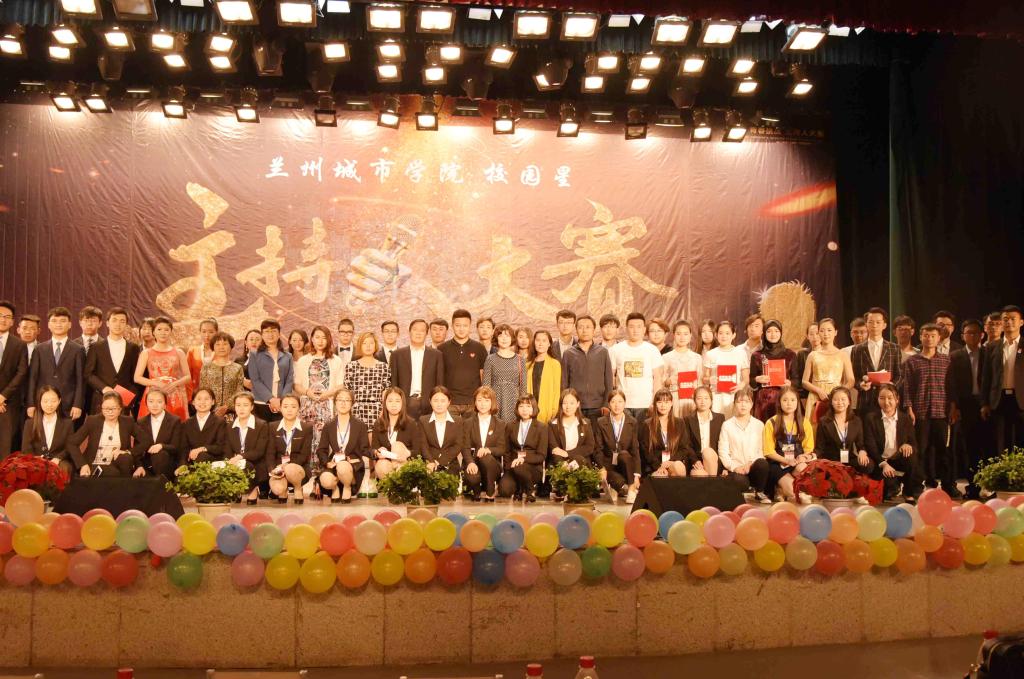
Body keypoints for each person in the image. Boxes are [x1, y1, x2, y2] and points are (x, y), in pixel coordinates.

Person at [902, 323, 956, 496]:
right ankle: (916, 487)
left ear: (939, 338)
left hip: (941, 411)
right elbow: (907, 387)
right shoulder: (912, 361)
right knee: (920, 451)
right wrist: (909, 408)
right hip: (920, 412)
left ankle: (948, 486)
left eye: (933, 336)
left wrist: (953, 407)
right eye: (926, 335)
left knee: (943, 451)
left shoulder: (946, 360)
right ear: (920, 337)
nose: (929, 339)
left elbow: (951, 387)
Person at [813, 386, 880, 503]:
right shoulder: (824, 421)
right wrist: (812, 456)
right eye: (836, 399)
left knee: (868, 464)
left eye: (843, 399)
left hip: (848, 459)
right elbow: (820, 448)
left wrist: (862, 452)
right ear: (831, 402)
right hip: (831, 461)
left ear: (849, 401)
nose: (840, 402)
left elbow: (860, 445)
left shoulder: (856, 420)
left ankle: (858, 489)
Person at [864, 384, 923, 503]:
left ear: (897, 399)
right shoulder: (871, 418)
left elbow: (913, 444)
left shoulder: (905, 418)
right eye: (882, 398)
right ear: (877, 399)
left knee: (911, 454)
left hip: (897, 459)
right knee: (886, 493)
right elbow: (870, 446)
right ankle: (893, 485)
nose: (886, 402)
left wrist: (908, 445)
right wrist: (883, 464)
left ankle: (908, 492)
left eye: (890, 398)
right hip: (880, 461)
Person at [948, 319, 986, 499]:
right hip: (965, 405)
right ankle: (973, 487)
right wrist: (954, 406)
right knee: (969, 447)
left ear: (982, 335)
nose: (972, 336)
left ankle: (988, 484)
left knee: (987, 446)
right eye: (968, 333)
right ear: (963, 336)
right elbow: (952, 384)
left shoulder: (988, 353)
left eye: (975, 333)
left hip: (986, 404)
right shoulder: (955, 356)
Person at [28, 306, 84, 421]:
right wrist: (31, 403)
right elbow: (32, 378)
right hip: (43, 403)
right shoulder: (39, 349)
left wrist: (77, 404)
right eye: (54, 321)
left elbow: (81, 380)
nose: (58, 324)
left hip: (68, 404)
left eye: (63, 321)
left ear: (70, 324)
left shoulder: (78, 349)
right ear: (48, 325)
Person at [294, 325, 344, 451]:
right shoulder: (303, 360)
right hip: (307, 406)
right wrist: (307, 392)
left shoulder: (336, 360)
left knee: (325, 439)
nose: (320, 341)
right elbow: (296, 385)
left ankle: (324, 462)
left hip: (327, 405)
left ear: (329, 340)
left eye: (324, 338)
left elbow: (340, 385)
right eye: (317, 337)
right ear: (312, 339)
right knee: (307, 439)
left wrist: (327, 394)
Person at [982, 306, 1024, 454]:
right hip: (998, 400)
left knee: (1020, 441)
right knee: (999, 442)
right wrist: (984, 403)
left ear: (1021, 322)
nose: (1009, 322)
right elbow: (986, 377)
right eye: (1005, 319)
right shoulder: (992, 347)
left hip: (1021, 400)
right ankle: (1002, 469)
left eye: (1013, 319)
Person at [717, 387, 771, 502]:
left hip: (753, 466)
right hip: (737, 469)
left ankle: (760, 492)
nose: (743, 405)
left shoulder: (759, 425)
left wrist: (750, 464)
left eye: (746, 401)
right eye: (739, 401)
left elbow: (761, 450)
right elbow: (723, 452)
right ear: (734, 404)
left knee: (762, 464)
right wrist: (735, 467)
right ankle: (746, 492)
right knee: (739, 481)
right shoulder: (727, 425)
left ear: (752, 404)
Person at [85, 307, 142, 415]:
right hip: (100, 400)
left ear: (126, 325)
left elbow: (136, 376)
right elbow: (88, 374)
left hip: (123, 402)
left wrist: (129, 397)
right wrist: (104, 388)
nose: (118, 324)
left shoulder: (133, 348)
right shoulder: (96, 347)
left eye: (122, 321)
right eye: (114, 320)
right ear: (107, 323)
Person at [316, 389, 370, 503]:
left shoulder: (360, 425)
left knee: (343, 466)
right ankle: (335, 488)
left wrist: (376, 453)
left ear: (352, 403)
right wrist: (326, 463)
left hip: (352, 466)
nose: (343, 403)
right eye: (340, 400)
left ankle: (347, 487)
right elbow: (322, 449)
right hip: (334, 464)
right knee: (326, 479)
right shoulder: (329, 426)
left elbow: (365, 449)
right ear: (335, 402)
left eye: (347, 400)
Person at [762, 386, 814, 501]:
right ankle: (781, 488)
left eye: (792, 400)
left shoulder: (804, 422)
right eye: (785, 400)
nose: (789, 403)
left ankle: (781, 490)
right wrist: (787, 461)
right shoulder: (771, 422)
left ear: (797, 402)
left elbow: (809, 448)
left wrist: (803, 457)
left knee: (803, 468)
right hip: (778, 465)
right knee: (796, 495)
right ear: (779, 402)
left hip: (796, 463)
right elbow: (768, 452)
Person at [133, 316, 190, 421]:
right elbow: (137, 378)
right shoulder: (146, 353)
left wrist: (175, 384)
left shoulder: (179, 352)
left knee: (174, 425)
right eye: (159, 329)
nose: (163, 333)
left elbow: (188, 377)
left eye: (166, 330)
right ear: (153, 332)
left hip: (174, 394)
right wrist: (156, 383)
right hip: (153, 394)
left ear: (171, 332)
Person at [561, 316, 613, 430]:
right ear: (576, 330)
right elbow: (564, 382)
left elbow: (609, 380)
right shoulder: (568, 353)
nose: (584, 330)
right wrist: (566, 404)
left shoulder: (602, 352)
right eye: (581, 327)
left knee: (596, 438)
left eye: (588, 327)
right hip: (575, 406)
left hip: (598, 406)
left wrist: (606, 404)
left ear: (594, 330)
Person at [66, 391, 136, 477]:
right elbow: (72, 443)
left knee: (125, 459)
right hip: (94, 464)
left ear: (120, 409)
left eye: (113, 408)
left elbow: (145, 440)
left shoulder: (127, 422)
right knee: (112, 473)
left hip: (116, 464)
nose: (110, 412)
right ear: (101, 408)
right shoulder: (92, 421)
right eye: (106, 408)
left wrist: (129, 452)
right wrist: (82, 464)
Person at [611, 312, 665, 422]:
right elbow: (610, 376)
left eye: (639, 327)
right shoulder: (616, 349)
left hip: (645, 404)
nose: (635, 330)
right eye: (632, 327)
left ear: (644, 329)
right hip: (622, 404)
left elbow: (657, 378)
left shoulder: (652, 350)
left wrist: (655, 402)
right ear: (626, 329)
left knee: (644, 433)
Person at [851, 307, 902, 420]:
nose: (874, 325)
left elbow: (899, 375)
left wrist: (892, 385)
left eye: (878, 322)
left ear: (884, 325)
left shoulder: (894, 348)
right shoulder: (857, 349)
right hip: (865, 400)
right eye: (871, 322)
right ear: (866, 324)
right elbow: (854, 376)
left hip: (888, 401)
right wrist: (860, 385)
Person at [801, 318, 855, 422]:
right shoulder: (813, 355)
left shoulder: (843, 354)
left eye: (829, 330)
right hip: (816, 397)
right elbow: (804, 381)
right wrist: (818, 391)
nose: (826, 334)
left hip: (837, 400)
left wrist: (838, 393)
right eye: (822, 331)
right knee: (814, 427)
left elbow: (851, 380)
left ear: (835, 332)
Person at [390, 319, 444, 420]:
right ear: (409, 332)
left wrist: (437, 402)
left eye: (422, 330)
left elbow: (439, 382)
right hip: (405, 402)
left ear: (426, 334)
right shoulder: (397, 355)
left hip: (428, 403)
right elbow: (394, 382)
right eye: (415, 330)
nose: (418, 333)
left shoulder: (436, 355)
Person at [224, 391, 272, 504]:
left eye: (245, 405)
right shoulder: (229, 426)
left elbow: (259, 451)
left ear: (252, 407)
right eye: (238, 405)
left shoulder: (262, 425)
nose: (241, 409)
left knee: (247, 464)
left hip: (256, 463)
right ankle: (236, 488)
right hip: (235, 463)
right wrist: (230, 461)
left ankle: (253, 488)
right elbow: (227, 449)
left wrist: (240, 457)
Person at [596, 388, 642, 502]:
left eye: (620, 401)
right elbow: (598, 449)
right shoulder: (601, 422)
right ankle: (620, 487)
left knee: (624, 454)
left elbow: (635, 449)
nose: (617, 405)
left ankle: (631, 489)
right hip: (608, 464)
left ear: (625, 403)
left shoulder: (632, 422)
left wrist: (637, 475)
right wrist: (601, 468)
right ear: (609, 404)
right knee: (618, 481)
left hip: (625, 464)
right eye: (613, 402)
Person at [438, 309, 486, 417]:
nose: (461, 329)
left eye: (465, 325)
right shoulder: (442, 349)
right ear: (452, 326)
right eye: (458, 325)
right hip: (449, 402)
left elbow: (483, 375)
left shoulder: (479, 348)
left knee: (472, 428)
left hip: (473, 402)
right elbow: (439, 376)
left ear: (470, 326)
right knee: (450, 429)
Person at [463, 386, 507, 501]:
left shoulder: (500, 424)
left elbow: (502, 449)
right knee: (472, 479)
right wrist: (470, 463)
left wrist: (488, 450)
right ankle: (476, 490)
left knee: (486, 457)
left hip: (492, 465)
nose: (483, 404)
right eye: (479, 400)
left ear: (492, 403)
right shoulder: (467, 423)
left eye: (487, 400)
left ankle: (490, 490)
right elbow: (465, 447)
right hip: (474, 462)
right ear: (475, 402)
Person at [249, 319, 295, 424]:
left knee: (279, 432)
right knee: (261, 432)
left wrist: (281, 400)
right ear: (262, 335)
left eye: (273, 331)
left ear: (279, 334)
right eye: (266, 331)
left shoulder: (288, 356)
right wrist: (271, 399)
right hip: (260, 403)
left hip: (282, 404)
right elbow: (255, 380)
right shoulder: (255, 355)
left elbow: (289, 380)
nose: (270, 334)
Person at [502, 395, 547, 502]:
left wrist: (523, 459)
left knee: (520, 467)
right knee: (504, 490)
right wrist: (508, 468)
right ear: (517, 409)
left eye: (528, 406)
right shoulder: (510, 426)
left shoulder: (542, 427)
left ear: (534, 408)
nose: (524, 410)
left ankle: (530, 490)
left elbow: (541, 456)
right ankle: (521, 488)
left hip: (533, 468)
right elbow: (507, 451)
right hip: (513, 466)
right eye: (521, 406)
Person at [637, 387, 688, 481]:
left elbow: (684, 448)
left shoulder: (680, 423)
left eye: (666, 402)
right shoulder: (647, 424)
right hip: (654, 466)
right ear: (655, 404)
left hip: (673, 462)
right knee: (661, 476)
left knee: (678, 466)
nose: (663, 405)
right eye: (659, 402)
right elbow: (646, 452)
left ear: (671, 404)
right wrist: (659, 466)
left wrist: (669, 462)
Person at [749, 320, 795, 421]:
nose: (773, 334)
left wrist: (790, 383)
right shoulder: (757, 355)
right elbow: (751, 381)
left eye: (776, 331)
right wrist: (757, 379)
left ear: (781, 333)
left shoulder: (790, 354)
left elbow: (797, 380)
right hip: (763, 402)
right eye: (769, 331)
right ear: (764, 334)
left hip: (785, 399)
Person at [268, 394, 311, 504]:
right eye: (286, 406)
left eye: (293, 406)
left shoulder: (306, 428)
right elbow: (270, 453)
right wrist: (273, 469)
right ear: (280, 408)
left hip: (298, 467)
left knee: (290, 469)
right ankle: (283, 490)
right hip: (278, 468)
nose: (289, 410)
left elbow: (304, 455)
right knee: (277, 489)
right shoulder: (272, 427)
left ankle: (298, 487)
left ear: (299, 409)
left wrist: (287, 465)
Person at [21, 386, 74, 474]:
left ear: (59, 401)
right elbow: (26, 449)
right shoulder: (30, 423)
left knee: (64, 468)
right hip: (36, 461)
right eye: (45, 401)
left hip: (59, 461)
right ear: (39, 402)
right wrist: (37, 459)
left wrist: (58, 458)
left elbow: (70, 446)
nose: (49, 405)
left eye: (53, 401)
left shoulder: (68, 423)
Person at [703, 320, 750, 418]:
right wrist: (710, 380)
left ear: (733, 335)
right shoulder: (710, 354)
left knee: (733, 423)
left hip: (734, 396)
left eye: (727, 333)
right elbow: (704, 378)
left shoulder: (741, 353)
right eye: (721, 333)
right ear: (716, 335)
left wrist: (740, 386)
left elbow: (746, 379)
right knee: (716, 423)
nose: (724, 336)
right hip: (716, 397)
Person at [131, 390, 182, 479]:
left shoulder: (175, 421)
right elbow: (137, 449)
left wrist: (161, 446)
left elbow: (176, 447)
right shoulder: (141, 422)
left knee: (160, 455)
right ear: (146, 404)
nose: (155, 405)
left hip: (167, 464)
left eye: (159, 402)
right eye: (151, 401)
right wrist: (139, 466)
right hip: (147, 465)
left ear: (165, 404)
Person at [344, 331, 391, 427]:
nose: (368, 346)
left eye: (371, 343)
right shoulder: (351, 366)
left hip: (377, 410)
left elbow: (385, 391)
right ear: (360, 346)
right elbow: (347, 391)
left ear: (375, 345)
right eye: (364, 343)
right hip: (356, 410)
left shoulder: (383, 366)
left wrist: (383, 411)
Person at [371, 387, 418, 480]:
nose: (393, 404)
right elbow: (373, 448)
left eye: (397, 401)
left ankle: (400, 485)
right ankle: (390, 485)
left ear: (402, 403)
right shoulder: (378, 423)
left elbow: (418, 450)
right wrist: (378, 452)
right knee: (381, 465)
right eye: (390, 401)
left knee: (397, 446)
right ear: (385, 403)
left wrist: (407, 453)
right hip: (386, 466)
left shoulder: (411, 423)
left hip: (405, 464)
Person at [0, 300, 28, 456]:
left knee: (6, 445)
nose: (3, 319)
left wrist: (3, 396)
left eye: (7, 317)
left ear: (12, 322)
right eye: (0, 316)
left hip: (9, 403)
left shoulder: (19, 345)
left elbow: (21, 373)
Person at [482, 324, 527, 421]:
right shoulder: (490, 359)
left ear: (512, 338)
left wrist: (522, 406)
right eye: (500, 335)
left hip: (514, 402)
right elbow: (486, 387)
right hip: (495, 402)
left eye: (507, 335)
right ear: (496, 338)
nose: (504, 339)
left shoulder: (520, 360)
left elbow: (523, 388)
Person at [419, 385, 464, 476]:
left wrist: (440, 461)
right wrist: (431, 462)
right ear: (430, 401)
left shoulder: (458, 421)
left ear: (449, 402)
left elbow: (458, 445)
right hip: (429, 463)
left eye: (443, 401)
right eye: (435, 400)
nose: (439, 404)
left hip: (450, 463)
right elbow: (423, 445)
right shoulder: (423, 420)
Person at [679, 386, 724, 477]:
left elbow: (723, 444)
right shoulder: (688, 420)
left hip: (714, 459)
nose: (703, 401)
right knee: (698, 474)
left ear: (711, 400)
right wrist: (695, 460)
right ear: (694, 400)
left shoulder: (720, 418)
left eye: (706, 398)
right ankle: (713, 484)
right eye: (699, 398)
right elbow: (686, 444)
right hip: (696, 460)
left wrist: (725, 467)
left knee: (708, 452)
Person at [548, 388, 596, 472]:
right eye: (565, 403)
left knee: (579, 459)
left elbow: (589, 447)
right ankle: (566, 472)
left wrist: (567, 453)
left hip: (581, 465)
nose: (568, 407)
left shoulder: (585, 423)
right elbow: (554, 449)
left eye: (572, 403)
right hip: (560, 464)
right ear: (561, 405)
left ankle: (568, 471)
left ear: (578, 404)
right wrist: (562, 464)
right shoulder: (552, 424)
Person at [198, 332, 245, 418]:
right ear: (213, 347)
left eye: (225, 344)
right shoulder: (206, 367)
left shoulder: (237, 368)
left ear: (231, 346)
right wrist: (211, 407)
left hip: (231, 413)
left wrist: (226, 407)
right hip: (210, 412)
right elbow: (203, 390)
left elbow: (239, 391)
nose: (221, 347)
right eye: (218, 344)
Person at [662, 320, 703, 418]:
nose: (682, 337)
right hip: (674, 398)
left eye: (685, 334)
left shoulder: (697, 357)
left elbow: (700, 382)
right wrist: (668, 381)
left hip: (691, 399)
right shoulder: (666, 357)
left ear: (690, 336)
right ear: (674, 335)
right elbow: (661, 381)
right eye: (678, 334)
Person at [181, 388, 227, 465]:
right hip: (192, 463)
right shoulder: (186, 423)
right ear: (193, 402)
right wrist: (182, 466)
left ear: (213, 402)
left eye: (206, 399)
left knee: (202, 456)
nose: (202, 402)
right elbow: (183, 449)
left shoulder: (220, 422)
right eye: (199, 399)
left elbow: (221, 447)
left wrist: (202, 449)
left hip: (213, 462)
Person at [526, 329, 562, 425]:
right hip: (530, 407)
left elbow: (556, 390)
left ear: (549, 344)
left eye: (544, 340)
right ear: (534, 343)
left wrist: (554, 409)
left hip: (548, 408)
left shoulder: (555, 364)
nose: (540, 344)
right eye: (538, 340)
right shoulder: (528, 364)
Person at [73, 306, 104, 415]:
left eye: (93, 321)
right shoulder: (72, 345)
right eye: (86, 320)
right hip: (76, 393)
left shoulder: (106, 345)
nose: (90, 324)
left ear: (100, 323)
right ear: (80, 323)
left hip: (98, 392)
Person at [187, 318, 219, 394]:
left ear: (216, 333)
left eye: (211, 332)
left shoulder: (221, 352)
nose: (207, 335)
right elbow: (187, 376)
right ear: (200, 332)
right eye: (204, 331)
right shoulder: (192, 351)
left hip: (216, 393)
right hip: (196, 393)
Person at [791, 322, 820, 405]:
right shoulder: (802, 354)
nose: (815, 337)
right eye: (811, 334)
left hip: (824, 392)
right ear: (807, 336)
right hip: (806, 395)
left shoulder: (829, 353)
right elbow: (798, 377)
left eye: (817, 333)